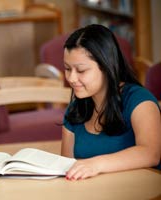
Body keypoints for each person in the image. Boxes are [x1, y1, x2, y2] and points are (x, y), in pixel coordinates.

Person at [61, 24, 161, 180]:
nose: (71, 79)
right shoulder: (75, 109)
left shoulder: (139, 101)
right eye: (67, 68)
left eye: (81, 70)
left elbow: (151, 153)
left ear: (107, 66)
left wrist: (96, 165)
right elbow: (67, 166)